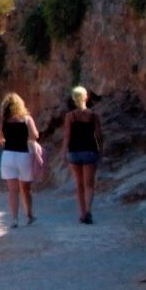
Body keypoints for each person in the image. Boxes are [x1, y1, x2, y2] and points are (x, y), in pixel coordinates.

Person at [0, 92, 39, 226]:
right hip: (23, 155)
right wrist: (27, 139)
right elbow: (35, 135)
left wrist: (5, 141)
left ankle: (14, 219)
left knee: (13, 190)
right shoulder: (26, 119)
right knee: (25, 188)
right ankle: (29, 215)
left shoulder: (3, 120)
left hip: (8, 155)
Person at [62, 84, 103, 224]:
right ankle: (89, 212)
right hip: (90, 151)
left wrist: (63, 152)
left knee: (79, 185)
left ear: (73, 99)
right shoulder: (93, 116)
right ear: (86, 97)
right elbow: (98, 135)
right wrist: (101, 150)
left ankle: (82, 213)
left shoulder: (70, 116)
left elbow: (67, 135)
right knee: (89, 184)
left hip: (74, 152)